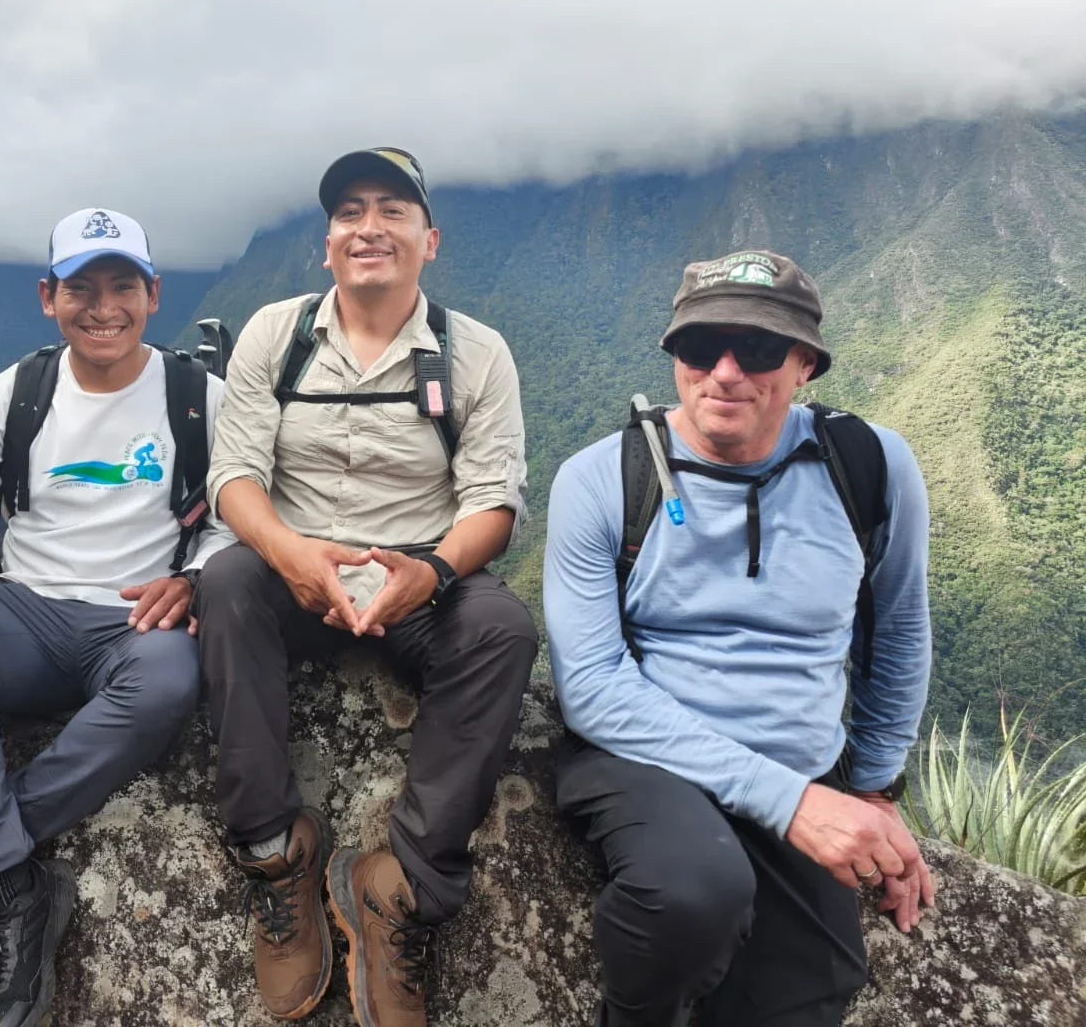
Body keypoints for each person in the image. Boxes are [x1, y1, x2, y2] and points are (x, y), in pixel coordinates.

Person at [543, 249, 935, 1027]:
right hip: (649, 757)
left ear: (804, 366)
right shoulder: (603, 481)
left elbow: (897, 629)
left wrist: (873, 791)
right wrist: (794, 805)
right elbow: (590, 686)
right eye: (699, 348)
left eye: (756, 350)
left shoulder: (869, 466)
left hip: (803, 765)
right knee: (693, 893)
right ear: (674, 356)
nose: (723, 372)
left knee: (812, 989)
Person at [200, 148, 537, 1027]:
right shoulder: (276, 335)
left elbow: (493, 503)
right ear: (327, 244)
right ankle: (278, 854)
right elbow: (234, 476)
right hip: (297, 572)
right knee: (227, 584)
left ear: (430, 241)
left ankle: (401, 885)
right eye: (350, 212)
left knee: (501, 628)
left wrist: (428, 575)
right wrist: (289, 555)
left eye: (392, 211)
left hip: (416, 577)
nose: (369, 228)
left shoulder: (475, 353)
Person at [0, 207, 234, 1027]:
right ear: (47, 296)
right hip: (23, 609)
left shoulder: (196, 398)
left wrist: (199, 575)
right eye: (81, 288)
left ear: (153, 295)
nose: (102, 307)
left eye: (121, 287)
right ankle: (11, 887)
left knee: (167, 683)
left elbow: (234, 508)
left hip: (134, 615)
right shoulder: (11, 395)